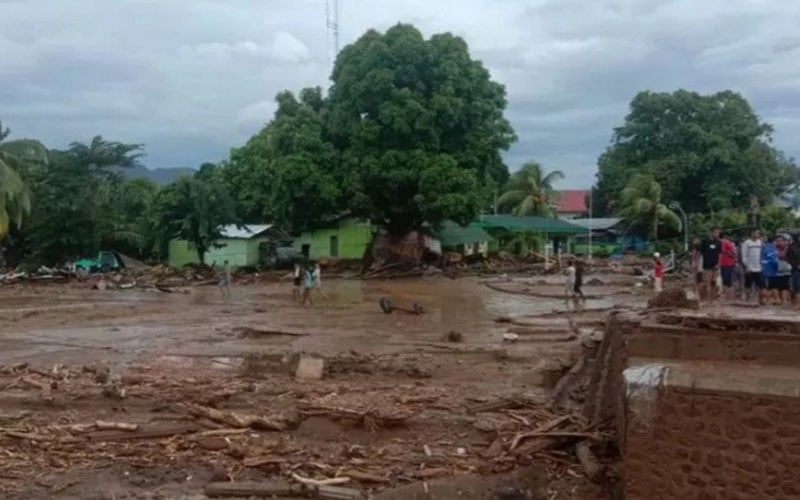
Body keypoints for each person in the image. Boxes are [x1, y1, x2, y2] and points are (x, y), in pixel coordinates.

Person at [741, 230, 764, 303]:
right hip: (749, 266)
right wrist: (746, 265)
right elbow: (744, 255)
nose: (757, 235)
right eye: (756, 233)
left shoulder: (760, 242)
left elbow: (761, 254)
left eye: (758, 233)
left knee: (759, 284)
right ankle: (747, 299)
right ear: (752, 233)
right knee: (748, 284)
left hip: (758, 267)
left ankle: (757, 299)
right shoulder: (746, 243)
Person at [700, 227, 722, 301]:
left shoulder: (719, 242)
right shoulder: (704, 242)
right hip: (706, 266)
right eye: (716, 232)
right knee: (706, 283)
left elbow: (720, 254)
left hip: (715, 266)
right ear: (711, 232)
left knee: (714, 283)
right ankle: (705, 298)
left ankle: (712, 299)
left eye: (718, 233)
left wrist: (719, 264)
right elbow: (700, 253)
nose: (717, 234)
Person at [762, 236, 779, 304]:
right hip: (770, 270)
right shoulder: (770, 248)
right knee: (770, 286)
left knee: (771, 286)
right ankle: (767, 300)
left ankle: (774, 299)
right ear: (773, 241)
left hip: (768, 270)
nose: (777, 243)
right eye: (776, 241)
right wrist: (778, 266)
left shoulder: (766, 247)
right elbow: (773, 260)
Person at [775, 235, 792, 304]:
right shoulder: (775, 249)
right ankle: (783, 300)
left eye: (780, 241)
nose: (779, 242)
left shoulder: (788, 248)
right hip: (778, 270)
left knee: (787, 286)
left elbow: (783, 256)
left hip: (788, 270)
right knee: (780, 287)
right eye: (777, 241)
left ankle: (788, 300)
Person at [719, 235, 738, 300]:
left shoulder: (723, 242)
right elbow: (734, 253)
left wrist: (727, 253)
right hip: (729, 263)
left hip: (725, 263)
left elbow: (733, 253)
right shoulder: (730, 243)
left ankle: (725, 296)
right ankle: (730, 297)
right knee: (728, 280)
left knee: (725, 280)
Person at [786, 233, 800, 304]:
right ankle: (798, 302)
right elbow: (787, 257)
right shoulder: (791, 247)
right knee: (797, 285)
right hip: (795, 268)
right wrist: (792, 264)